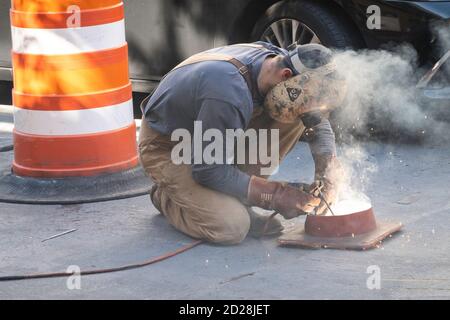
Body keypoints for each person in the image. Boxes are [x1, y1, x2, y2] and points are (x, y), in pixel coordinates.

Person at [139, 42, 346, 245]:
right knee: (232, 226)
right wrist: (274, 195)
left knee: (294, 114)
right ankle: (167, 197)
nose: (310, 107)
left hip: (211, 134)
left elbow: (316, 120)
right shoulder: (228, 93)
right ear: (286, 77)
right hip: (171, 146)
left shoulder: (281, 63)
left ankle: (232, 196)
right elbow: (208, 170)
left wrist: (328, 169)